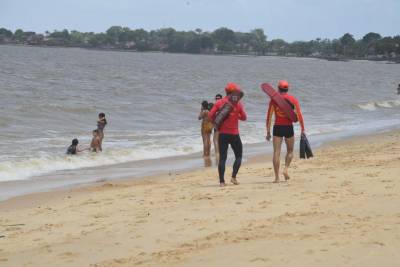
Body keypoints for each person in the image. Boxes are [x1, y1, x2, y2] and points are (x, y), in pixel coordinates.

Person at [266, 80, 305, 183]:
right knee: (290, 151)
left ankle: (276, 178)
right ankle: (286, 169)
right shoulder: (292, 99)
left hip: (277, 128)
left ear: (278, 88)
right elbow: (299, 116)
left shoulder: (274, 100)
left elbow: (269, 117)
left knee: (276, 152)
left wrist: (268, 132)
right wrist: (302, 129)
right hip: (288, 128)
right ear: (287, 89)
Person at [209, 83, 247, 186]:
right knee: (238, 156)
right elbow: (244, 117)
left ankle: (222, 182)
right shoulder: (238, 104)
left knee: (222, 158)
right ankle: (233, 177)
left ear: (226, 92)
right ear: (235, 92)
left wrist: (217, 122)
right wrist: (235, 116)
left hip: (223, 134)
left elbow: (210, 115)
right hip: (234, 134)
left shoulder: (219, 102)